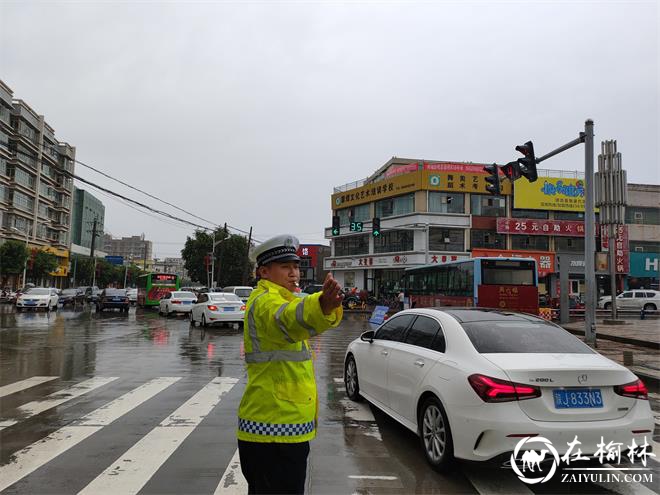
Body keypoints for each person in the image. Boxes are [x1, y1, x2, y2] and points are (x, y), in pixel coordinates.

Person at [237, 234, 344, 494]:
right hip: (272, 431)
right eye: (285, 267)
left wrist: (325, 307)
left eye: (296, 266)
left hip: (285, 427)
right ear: (264, 271)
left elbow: (305, 313)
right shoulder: (265, 301)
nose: (294, 273)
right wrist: (321, 304)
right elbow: (291, 319)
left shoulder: (285, 297)